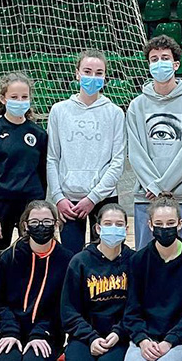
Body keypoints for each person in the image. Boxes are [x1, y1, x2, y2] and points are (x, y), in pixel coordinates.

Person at [0, 73, 48, 331]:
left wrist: (41, 214)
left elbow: (43, 174)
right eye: (14, 97)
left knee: (31, 263)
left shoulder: (38, 133)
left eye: (24, 97)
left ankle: (28, 319)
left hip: (30, 210)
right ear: (3, 98)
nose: (19, 101)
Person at [126, 36, 182, 250]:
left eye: (164, 58)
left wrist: (161, 187)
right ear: (148, 65)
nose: (159, 63)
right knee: (146, 262)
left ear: (176, 64)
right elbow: (135, 152)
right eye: (154, 59)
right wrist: (153, 186)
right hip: (146, 196)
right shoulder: (136, 106)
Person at [120, 195, 182, 361]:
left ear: (180, 224)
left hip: (181, 337)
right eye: (158, 223)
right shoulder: (138, 260)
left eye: (170, 223)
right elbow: (132, 309)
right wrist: (141, 340)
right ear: (150, 225)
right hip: (147, 337)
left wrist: (170, 341)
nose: (164, 228)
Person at [47, 50, 126, 255]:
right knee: (71, 260)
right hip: (68, 202)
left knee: (106, 257)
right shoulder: (59, 110)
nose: (93, 77)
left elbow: (117, 162)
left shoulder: (115, 113)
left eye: (99, 73)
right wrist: (58, 197)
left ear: (105, 77)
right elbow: (52, 158)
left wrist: (93, 197)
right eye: (87, 71)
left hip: (104, 198)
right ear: (77, 74)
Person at [0, 200, 71, 361]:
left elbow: (63, 307)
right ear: (25, 225)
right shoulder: (9, 257)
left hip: (46, 332)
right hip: (13, 329)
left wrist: (41, 333)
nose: (41, 226)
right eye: (35, 222)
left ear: (56, 224)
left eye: (47, 221)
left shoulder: (66, 260)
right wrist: (9, 330)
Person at [62, 203, 133, 361]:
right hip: (85, 334)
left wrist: (119, 332)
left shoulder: (134, 261)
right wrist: (91, 337)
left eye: (119, 225)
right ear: (98, 228)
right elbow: (69, 311)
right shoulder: (80, 262)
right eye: (108, 224)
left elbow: (137, 308)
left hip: (119, 335)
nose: (113, 228)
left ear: (126, 229)